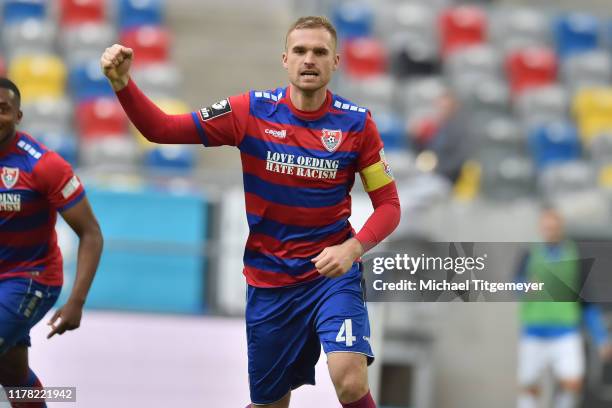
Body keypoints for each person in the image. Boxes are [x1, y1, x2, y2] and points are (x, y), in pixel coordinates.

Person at [101, 15, 400, 408]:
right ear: (285, 59)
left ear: (336, 62)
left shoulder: (358, 124)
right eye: (300, 51)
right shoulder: (250, 111)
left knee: (349, 380)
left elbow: (389, 206)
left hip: (331, 277)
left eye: (319, 52)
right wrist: (123, 84)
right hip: (269, 282)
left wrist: (352, 249)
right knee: (271, 403)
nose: (309, 59)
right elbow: (163, 130)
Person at [0, 78, 103, 408]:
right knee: (14, 376)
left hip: (30, 279)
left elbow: (91, 234)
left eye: (3, 109)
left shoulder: (43, 165)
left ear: (18, 116)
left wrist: (77, 301)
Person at [516, 208, 612, 408]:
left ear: (561, 229)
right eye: (546, 228)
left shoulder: (575, 256)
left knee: (572, 382)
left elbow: (587, 301)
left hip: (565, 331)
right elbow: (514, 283)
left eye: (554, 227)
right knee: (529, 385)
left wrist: (601, 337)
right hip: (535, 331)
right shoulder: (529, 254)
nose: (550, 232)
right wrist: (524, 286)